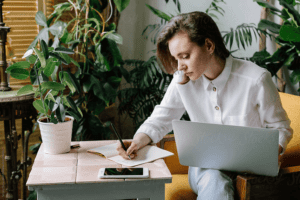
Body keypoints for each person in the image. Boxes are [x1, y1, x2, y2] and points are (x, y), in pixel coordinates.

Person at [116, 11, 293, 200]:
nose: (180, 66)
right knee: (214, 177)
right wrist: (137, 141)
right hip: (205, 170)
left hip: (251, 171)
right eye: (176, 59)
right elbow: (161, 117)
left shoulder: (256, 79)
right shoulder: (182, 81)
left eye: (184, 56)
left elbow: (280, 128)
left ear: (209, 45)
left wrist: (273, 151)